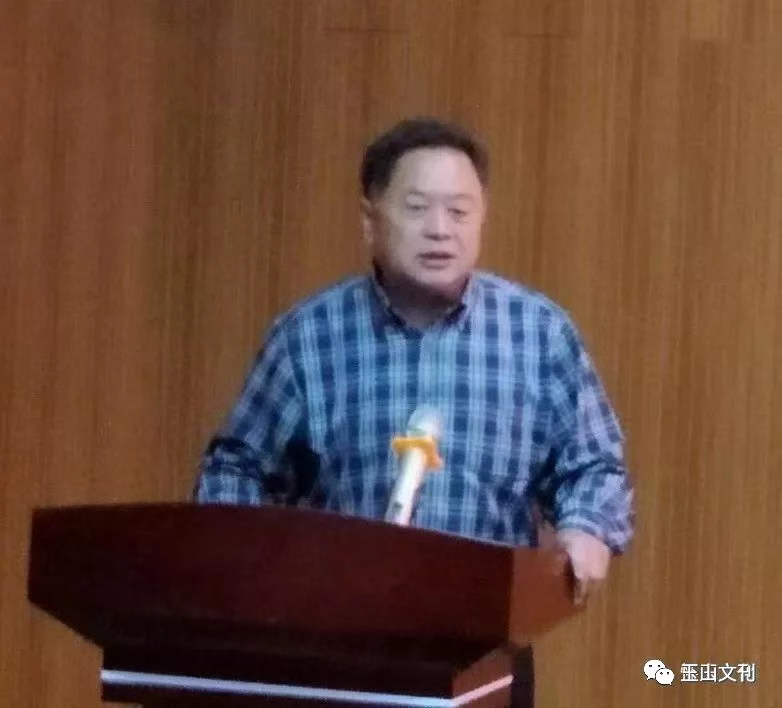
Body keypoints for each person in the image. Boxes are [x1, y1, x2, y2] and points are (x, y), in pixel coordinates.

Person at [194, 117, 635, 706]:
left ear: (481, 219)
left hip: (485, 648)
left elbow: (594, 466)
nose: (439, 230)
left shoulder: (538, 334)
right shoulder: (309, 337)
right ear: (370, 219)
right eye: (417, 208)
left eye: (459, 211)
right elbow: (236, 466)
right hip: (335, 643)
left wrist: (586, 530)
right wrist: (250, 568)